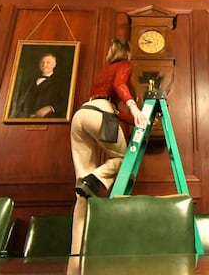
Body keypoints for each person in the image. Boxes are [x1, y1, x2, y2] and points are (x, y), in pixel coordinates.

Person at [69, 37, 148, 255]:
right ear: (127, 53)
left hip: (82, 114)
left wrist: (135, 119)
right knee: (124, 159)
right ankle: (94, 180)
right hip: (102, 115)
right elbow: (119, 86)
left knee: (83, 194)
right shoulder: (124, 65)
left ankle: (76, 254)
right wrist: (134, 107)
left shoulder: (103, 71)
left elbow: (112, 111)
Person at [12, 52, 68, 118]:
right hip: (26, 119)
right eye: (42, 62)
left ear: (54, 64)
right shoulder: (29, 82)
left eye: (48, 62)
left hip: (49, 120)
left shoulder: (61, 83)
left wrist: (50, 108)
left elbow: (65, 102)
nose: (44, 65)